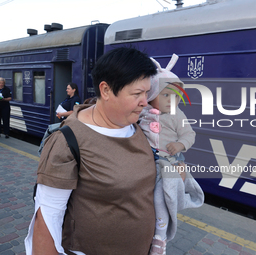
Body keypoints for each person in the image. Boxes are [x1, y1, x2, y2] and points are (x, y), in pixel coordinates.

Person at [25, 47, 158, 255]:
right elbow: (47, 218)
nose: (145, 101)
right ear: (105, 90)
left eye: (147, 93)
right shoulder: (68, 140)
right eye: (137, 94)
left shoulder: (140, 125)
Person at [139, 54, 204, 255]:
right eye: (165, 95)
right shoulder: (143, 112)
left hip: (170, 162)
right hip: (150, 163)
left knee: (161, 196)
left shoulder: (179, 116)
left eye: (176, 96)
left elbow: (190, 134)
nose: (171, 100)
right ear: (151, 94)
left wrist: (180, 144)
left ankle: (160, 237)